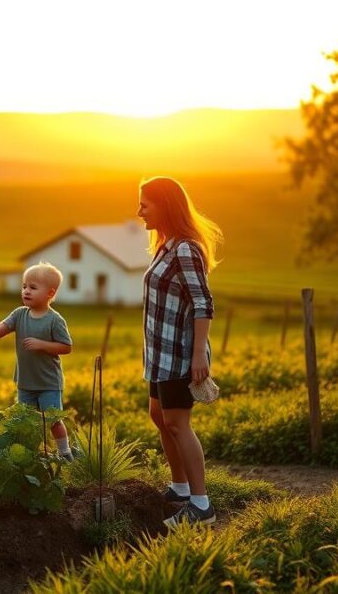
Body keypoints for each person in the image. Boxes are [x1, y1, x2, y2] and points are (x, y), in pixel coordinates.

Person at [137, 176, 222, 527]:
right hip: (159, 353)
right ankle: (180, 487)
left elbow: (202, 302)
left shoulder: (186, 249)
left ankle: (201, 506)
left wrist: (199, 353)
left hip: (180, 353)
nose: (139, 211)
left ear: (165, 206)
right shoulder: (165, 245)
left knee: (176, 423)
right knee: (160, 417)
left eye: (145, 204)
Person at [0, 262, 74, 460]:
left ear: (50, 293)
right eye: (24, 286)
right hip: (25, 382)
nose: (26, 291)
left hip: (48, 382)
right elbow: (3, 329)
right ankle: (30, 455)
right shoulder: (19, 314)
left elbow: (66, 347)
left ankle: (65, 453)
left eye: (33, 288)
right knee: (24, 421)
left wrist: (41, 344)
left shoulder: (54, 320)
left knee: (52, 420)